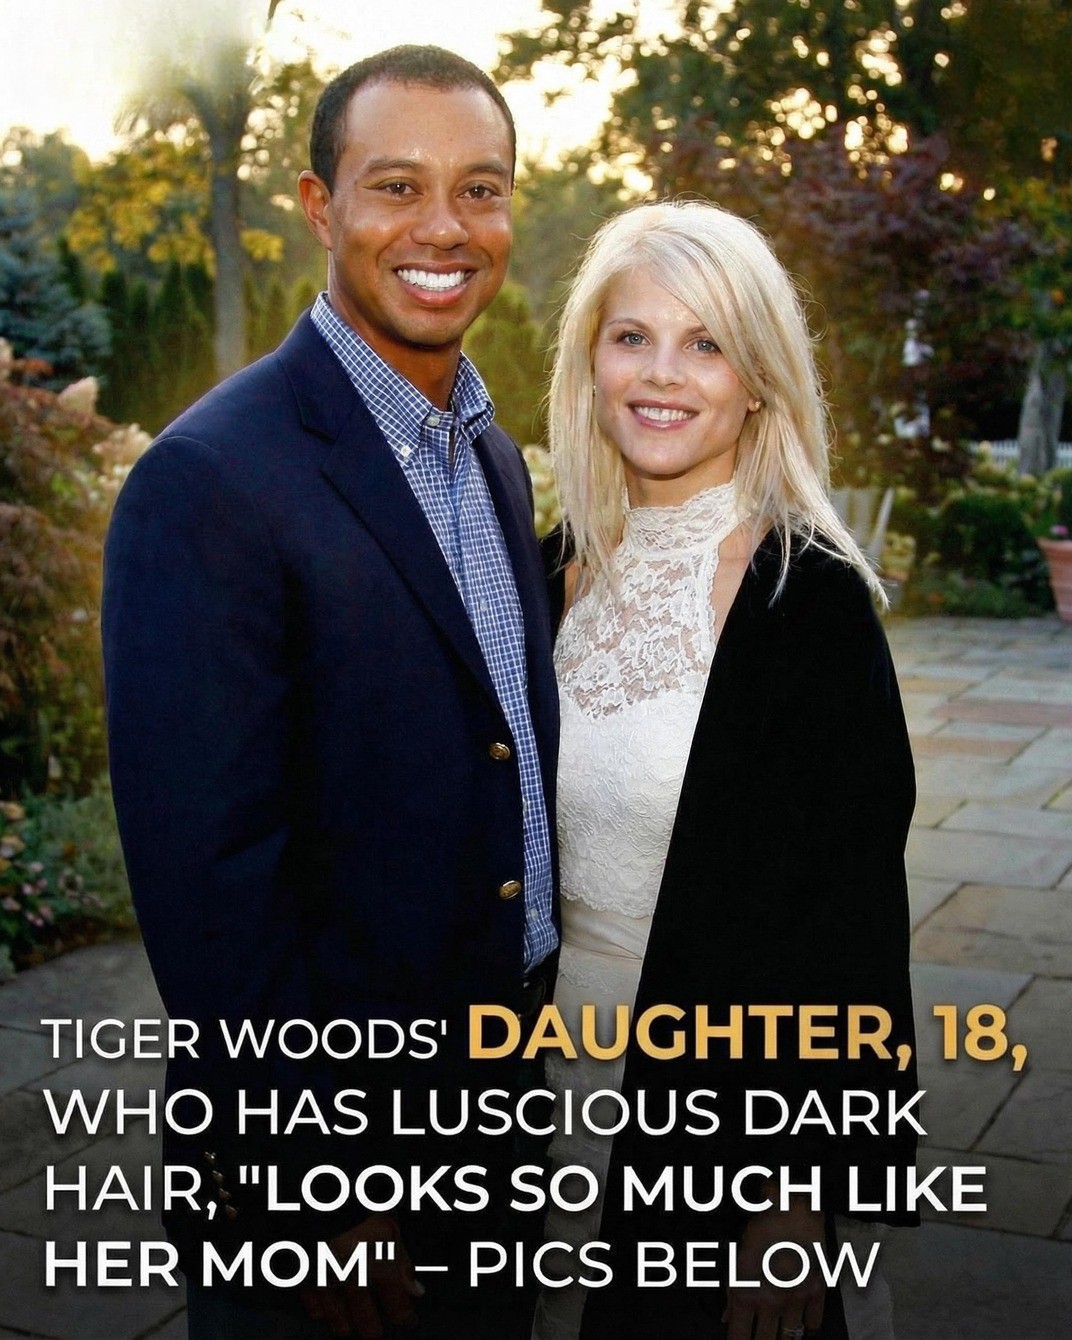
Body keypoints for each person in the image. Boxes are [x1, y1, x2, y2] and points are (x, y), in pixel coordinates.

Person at [102, 45, 558, 1340]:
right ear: (317, 206)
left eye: (481, 189)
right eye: (396, 186)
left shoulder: (497, 463)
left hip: (489, 1113)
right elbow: (210, 890)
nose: (443, 230)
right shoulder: (210, 482)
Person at [531, 201, 918, 1340]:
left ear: (757, 378)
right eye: (632, 335)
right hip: (542, 1087)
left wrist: (794, 1189)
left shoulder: (808, 601)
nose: (664, 374)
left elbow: (848, 920)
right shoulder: (546, 568)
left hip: (722, 1109)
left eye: (706, 343)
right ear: (588, 360)